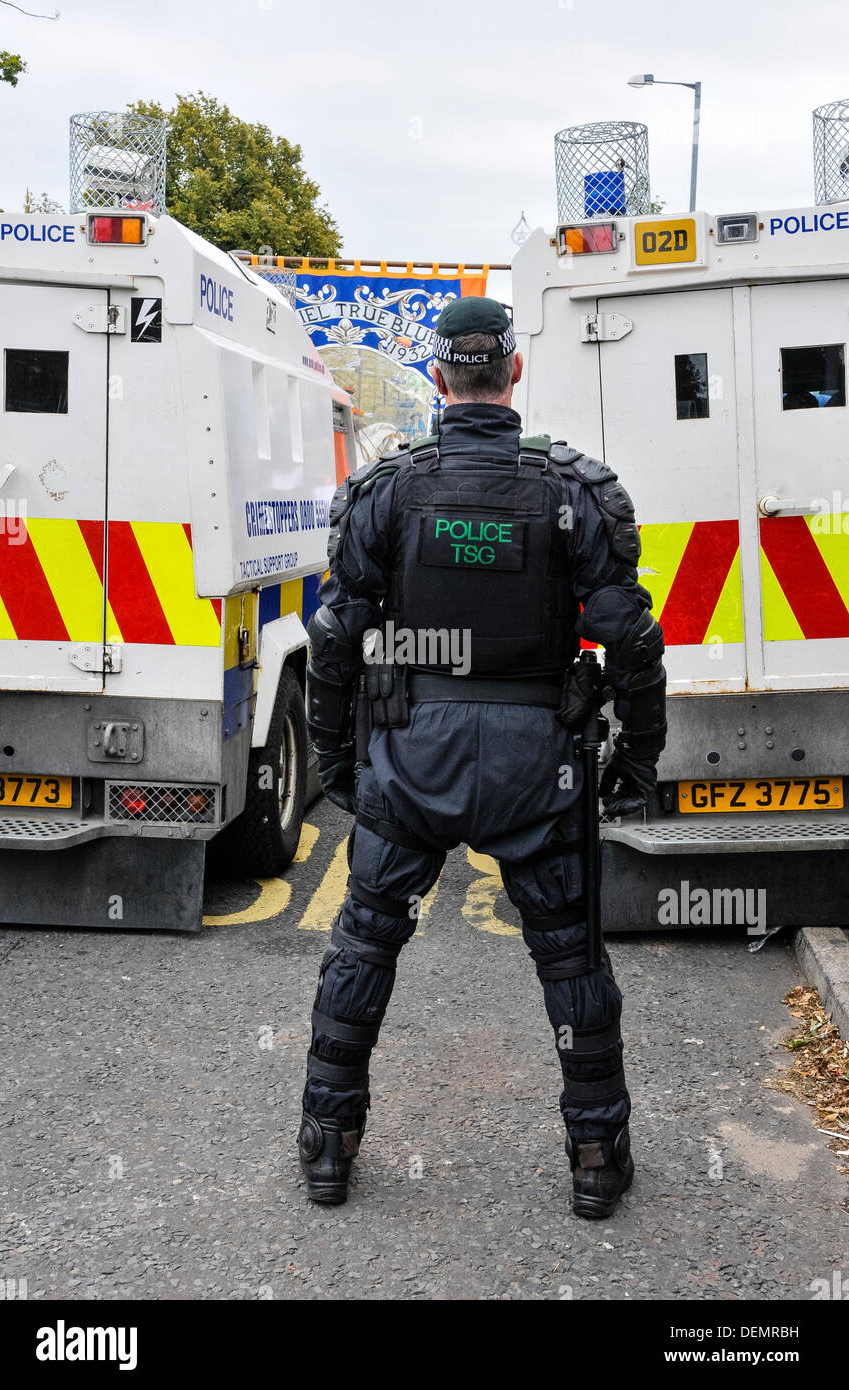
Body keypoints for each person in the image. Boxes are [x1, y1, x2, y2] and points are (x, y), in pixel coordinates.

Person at [298, 298, 666, 1218]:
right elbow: (630, 642)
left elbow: (335, 636)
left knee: (364, 941)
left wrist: (335, 759)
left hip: (410, 759)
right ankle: (595, 1158)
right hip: (536, 768)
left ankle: (327, 1147)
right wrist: (638, 760)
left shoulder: (387, 490)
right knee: (570, 959)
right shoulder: (573, 490)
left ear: (436, 378)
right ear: (512, 373)